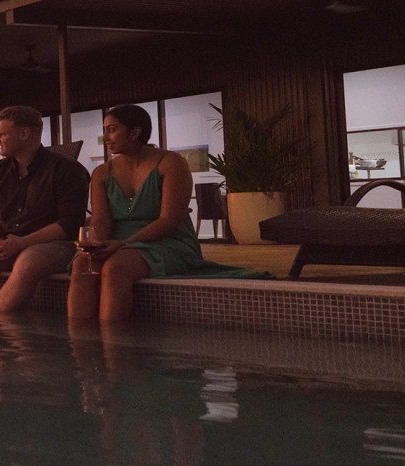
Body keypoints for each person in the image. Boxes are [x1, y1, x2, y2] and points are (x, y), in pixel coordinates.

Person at [69, 104, 262, 322]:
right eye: (104, 130)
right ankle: (80, 349)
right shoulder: (102, 172)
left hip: (167, 240)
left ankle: (115, 349)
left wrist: (124, 244)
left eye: (111, 129)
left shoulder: (171, 163)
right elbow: (101, 219)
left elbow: (170, 219)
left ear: (134, 132)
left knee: (117, 267)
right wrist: (97, 244)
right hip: (118, 242)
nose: (105, 137)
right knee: (82, 265)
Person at [0, 105, 90, 311]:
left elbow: (70, 225)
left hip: (55, 244)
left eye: (2, 134)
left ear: (24, 133)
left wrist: (22, 243)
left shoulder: (66, 170)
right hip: (10, 244)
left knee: (27, 261)